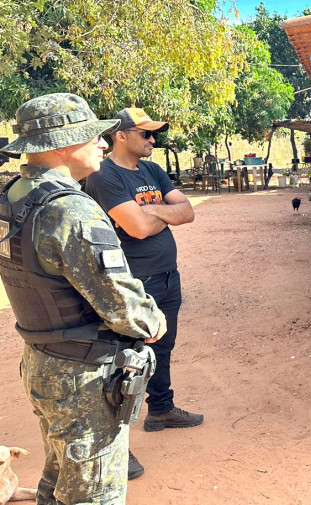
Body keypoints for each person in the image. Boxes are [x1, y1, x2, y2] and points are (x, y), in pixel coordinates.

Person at [0, 93, 167, 504]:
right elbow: (120, 302)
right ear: (60, 144)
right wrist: (152, 321)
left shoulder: (13, 195)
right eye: (92, 136)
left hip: (43, 361)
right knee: (93, 494)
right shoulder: (70, 209)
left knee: (57, 482)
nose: (104, 144)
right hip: (83, 376)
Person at [83, 108, 202, 475]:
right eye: (146, 134)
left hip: (167, 277)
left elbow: (188, 212)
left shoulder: (152, 170)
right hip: (133, 283)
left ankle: (161, 410)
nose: (153, 141)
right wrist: (161, 210)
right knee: (125, 362)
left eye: (155, 135)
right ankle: (116, 447)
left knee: (161, 349)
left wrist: (153, 210)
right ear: (121, 135)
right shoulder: (104, 175)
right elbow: (135, 228)